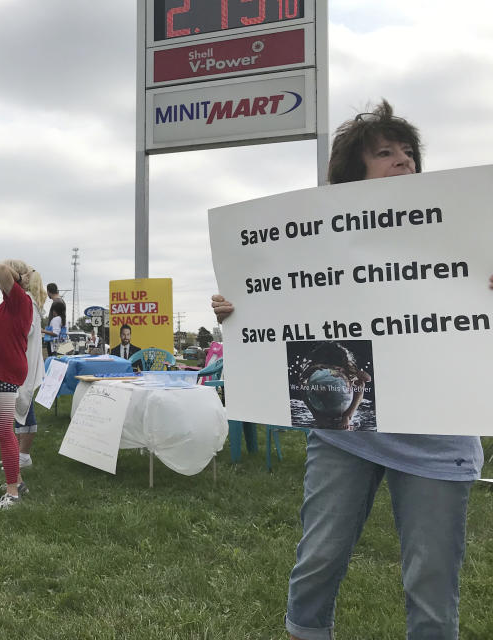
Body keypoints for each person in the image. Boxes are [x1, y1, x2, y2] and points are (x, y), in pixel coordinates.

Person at [212, 101, 484, 639]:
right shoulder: (316, 251)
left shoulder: (470, 239)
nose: (403, 161)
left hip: (437, 440)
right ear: (351, 180)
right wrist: (240, 312)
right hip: (345, 433)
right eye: (385, 153)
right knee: (318, 559)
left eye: (409, 153)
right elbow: (286, 307)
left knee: (431, 587)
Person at [0, 259, 34, 509]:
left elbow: (0, 268)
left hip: (6, 371)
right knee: (4, 430)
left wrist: (16, 274)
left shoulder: (20, 299)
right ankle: (18, 481)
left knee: (4, 432)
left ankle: (12, 493)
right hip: (0, 369)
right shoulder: (7, 305)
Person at [13, 267, 47, 470]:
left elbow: (27, 330)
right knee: (20, 405)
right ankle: (19, 453)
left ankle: (24, 455)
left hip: (24, 363)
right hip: (22, 361)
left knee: (25, 404)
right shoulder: (30, 302)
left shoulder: (28, 303)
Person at [42, 283, 67, 358]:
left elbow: (56, 330)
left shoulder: (56, 303)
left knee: (53, 360)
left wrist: (44, 331)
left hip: (54, 342)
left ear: (49, 292)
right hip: (59, 341)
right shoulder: (61, 301)